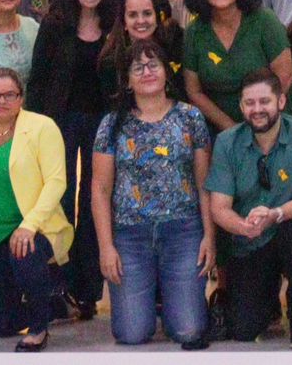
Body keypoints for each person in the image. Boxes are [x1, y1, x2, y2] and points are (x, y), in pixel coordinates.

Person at [91, 38, 214, 349]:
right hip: (130, 235)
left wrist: (209, 237)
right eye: (137, 68)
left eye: (153, 65)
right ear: (128, 80)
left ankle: (182, 306)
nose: (146, 72)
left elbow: (204, 184)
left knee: (188, 331)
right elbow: (100, 189)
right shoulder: (111, 124)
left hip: (183, 231)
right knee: (132, 334)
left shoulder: (191, 117)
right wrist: (106, 246)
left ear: (166, 73)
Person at [206, 68, 292, 348]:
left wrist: (275, 214)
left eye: (265, 102)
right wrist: (244, 227)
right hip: (249, 242)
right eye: (249, 103)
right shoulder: (228, 142)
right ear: (241, 106)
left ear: (281, 102)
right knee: (243, 330)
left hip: (286, 230)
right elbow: (219, 207)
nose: (257, 109)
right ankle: (268, 300)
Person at [0, 68, 75, 352]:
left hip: (33, 229)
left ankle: (38, 328)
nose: (2, 100)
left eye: (10, 94)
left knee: (25, 250)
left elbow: (57, 181)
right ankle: (54, 305)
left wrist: (28, 225)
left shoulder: (42, 127)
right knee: (1, 326)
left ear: (21, 98)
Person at [25, 0, 117, 318]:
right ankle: (56, 286)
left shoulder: (115, 25)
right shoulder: (55, 24)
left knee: (95, 202)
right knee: (59, 200)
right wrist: (32, 128)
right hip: (58, 121)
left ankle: (88, 289)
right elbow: (38, 79)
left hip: (103, 123)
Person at [180, 0, 292, 132]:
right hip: (222, 130)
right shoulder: (195, 31)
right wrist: (231, 130)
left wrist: (259, 122)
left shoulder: (264, 20)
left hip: (274, 123)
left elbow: (284, 78)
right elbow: (194, 92)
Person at [98, 0, 183, 92]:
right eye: (132, 15)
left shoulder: (173, 49)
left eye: (147, 13)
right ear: (124, 22)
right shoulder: (110, 63)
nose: (141, 20)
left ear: (157, 18)